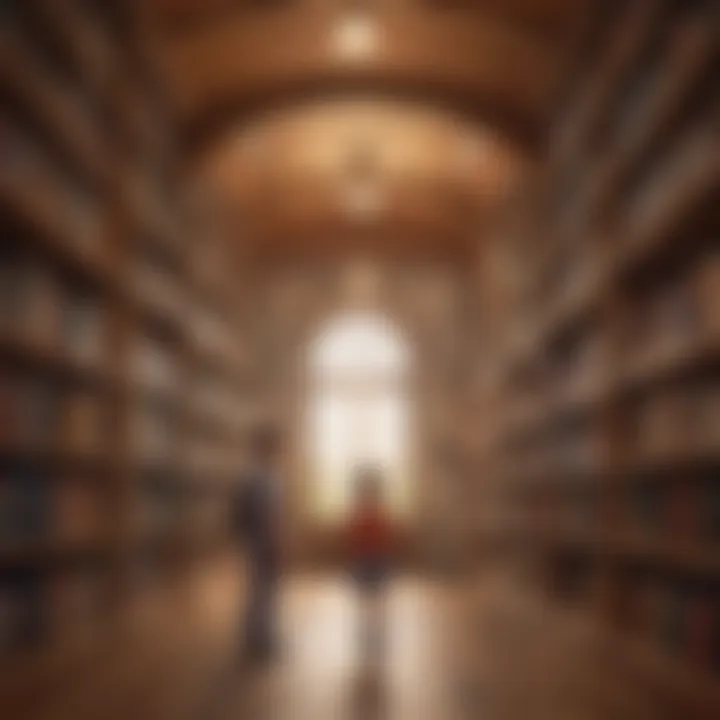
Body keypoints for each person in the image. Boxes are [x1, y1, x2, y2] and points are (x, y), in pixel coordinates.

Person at [235, 424, 284, 662]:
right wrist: (273, 541)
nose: (278, 449)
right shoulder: (258, 476)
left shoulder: (266, 474)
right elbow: (263, 513)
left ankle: (261, 636)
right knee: (262, 590)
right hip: (262, 541)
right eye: (273, 444)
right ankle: (259, 639)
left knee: (265, 589)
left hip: (263, 539)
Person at [346, 464, 396, 665]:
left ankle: (376, 630)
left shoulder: (379, 512)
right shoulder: (359, 513)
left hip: (378, 559)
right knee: (365, 597)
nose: (368, 493)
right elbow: (354, 538)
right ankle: (367, 630)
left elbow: (385, 537)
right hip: (364, 560)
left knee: (377, 597)